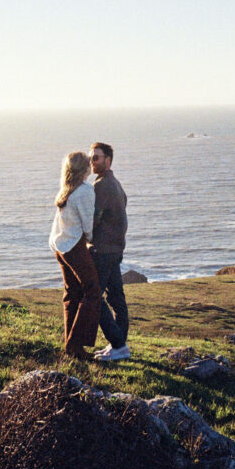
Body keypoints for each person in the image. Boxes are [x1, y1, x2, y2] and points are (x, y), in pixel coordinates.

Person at [48, 151, 102, 360]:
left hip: (59, 246)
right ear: (86, 168)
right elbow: (88, 224)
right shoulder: (85, 190)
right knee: (92, 292)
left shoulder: (66, 189)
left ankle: (72, 345)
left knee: (72, 294)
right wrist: (91, 240)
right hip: (73, 246)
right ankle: (75, 345)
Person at [88, 142, 130, 362]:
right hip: (116, 248)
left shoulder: (102, 185)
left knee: (93, 296)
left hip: (103, 250)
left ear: (108, 160)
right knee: (116, 297)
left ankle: (119, 344)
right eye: (90, 157)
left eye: (96, 157)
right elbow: (124, 203)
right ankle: (118, 347)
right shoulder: (114, 183)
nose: (92, 161)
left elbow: (93, 219)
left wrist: (85, 236)